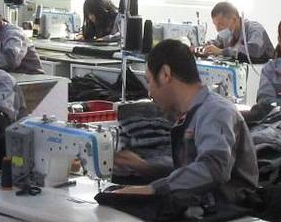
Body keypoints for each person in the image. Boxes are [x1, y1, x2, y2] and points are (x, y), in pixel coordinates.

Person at [108, 39, 259, 204]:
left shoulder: (216, 111)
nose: (149, 92)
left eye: (149, 81)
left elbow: (213, 169)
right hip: (204, 206)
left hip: (228, 211)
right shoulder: (189, 115)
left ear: (165, 74)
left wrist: (153, 189)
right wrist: (144, 166)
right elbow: (189, 170)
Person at [203, 1, 273, 64]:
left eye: (221, 24)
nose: (217, 29)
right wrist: (208, 45)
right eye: (215, 25)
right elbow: (217, 43)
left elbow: (253, 51)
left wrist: (221, 52)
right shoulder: (228, 33)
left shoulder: (255, 29)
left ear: (234, 20)